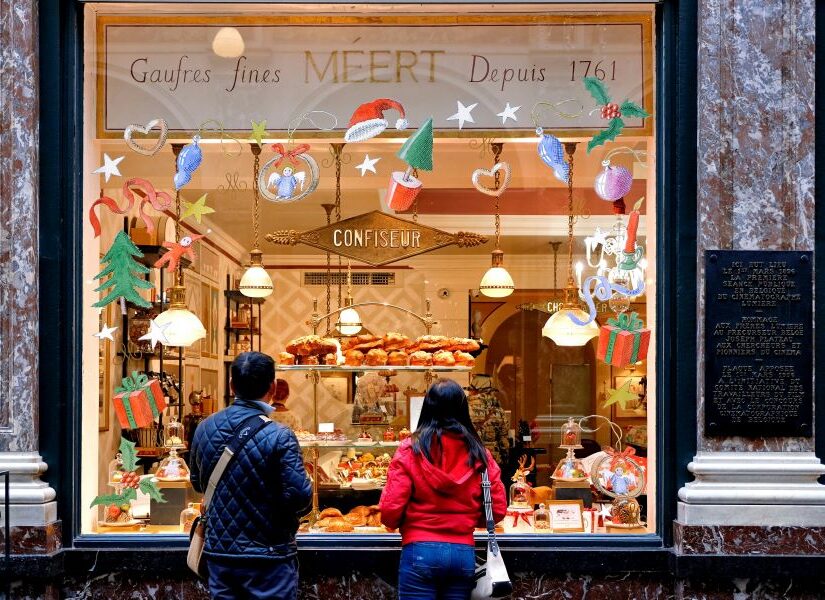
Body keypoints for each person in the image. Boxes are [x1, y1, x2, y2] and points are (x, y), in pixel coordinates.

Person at [190, 352, 312, 600]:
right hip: (269, 558)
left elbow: (197, 482)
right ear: (273, 387)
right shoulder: (281, 435)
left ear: (232, 385)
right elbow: (300, 498)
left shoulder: (204, 427)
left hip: (220, 555)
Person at [379, 378, 507, 600]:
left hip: (419, 551)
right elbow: (496, 510)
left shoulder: (410, 450)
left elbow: (390, 513)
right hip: (462, 554)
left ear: (427, 407)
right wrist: (468, 520)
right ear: (463, 408)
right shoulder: (479, 453)